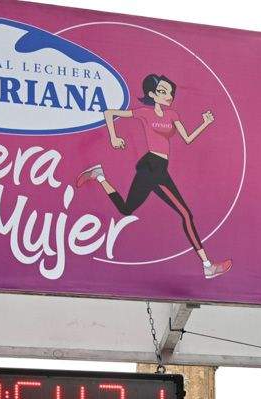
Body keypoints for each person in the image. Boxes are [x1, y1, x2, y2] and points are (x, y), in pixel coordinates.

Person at [76, 74, 231, 279]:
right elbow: (109, 112)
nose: (168, 96)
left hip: (158, 168)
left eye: (170, 93)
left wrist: (205, 123)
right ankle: (207, 266)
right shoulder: (145, 113)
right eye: (162, 92)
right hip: (152, 166)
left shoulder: (173, 115)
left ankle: (99, 175)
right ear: (152, 94)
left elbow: (187, 139)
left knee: (126, 209)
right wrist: (114, 137)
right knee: (185, 214)